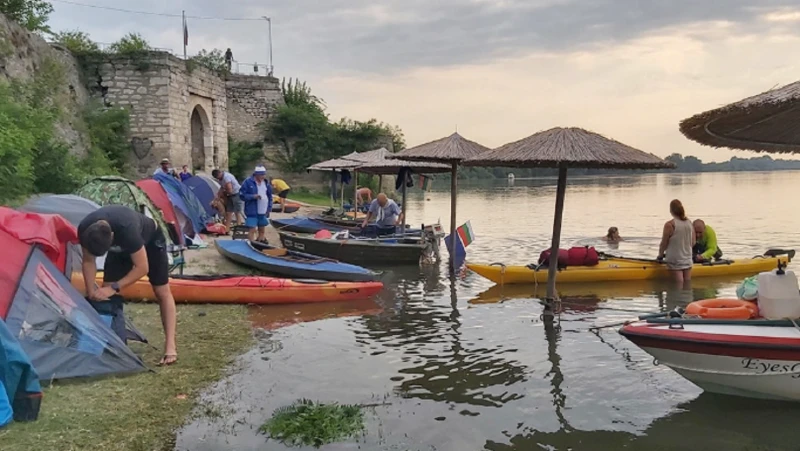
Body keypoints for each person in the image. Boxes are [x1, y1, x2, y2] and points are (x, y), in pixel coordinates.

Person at [78, 205, 178, 366]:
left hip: (151, 242)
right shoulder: (85, 229)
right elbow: (88, 261)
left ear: (112, 236)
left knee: (161, 291)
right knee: (105, 299)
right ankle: (112, 344)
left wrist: (113, 288)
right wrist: (91, 291)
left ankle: (170, 347)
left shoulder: (127, 229)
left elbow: (142, 268)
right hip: (120, 251)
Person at [657, 199, 695, 285]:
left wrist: (660, 255)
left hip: (675, 260)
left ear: (671, 210)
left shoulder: (670, 225)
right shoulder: (689, 223)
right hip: (687, 259)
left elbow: (664, 243)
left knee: (678, 285)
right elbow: (693, 242)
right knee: (687, 284)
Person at [240, 165, 272, 242]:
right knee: (252, 229)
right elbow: (242, 195)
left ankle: (260, 241)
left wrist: (269, 207)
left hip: (263, 210)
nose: (263, 176)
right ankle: (251, 243)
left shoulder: (266, 183)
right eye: (261, 174)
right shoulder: (247, 182)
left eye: (264, 174)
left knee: (262, 228)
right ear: (256, 174)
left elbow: (269, 196)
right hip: (252, 210)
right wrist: (253, 196)